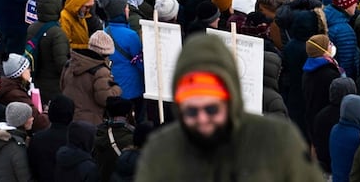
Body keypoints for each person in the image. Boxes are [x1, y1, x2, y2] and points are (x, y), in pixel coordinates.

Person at [136, 34, 324, 181]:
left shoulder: (277, 139)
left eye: (211, 109)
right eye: (191, 111)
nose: (202, 119)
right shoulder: (161, 151)